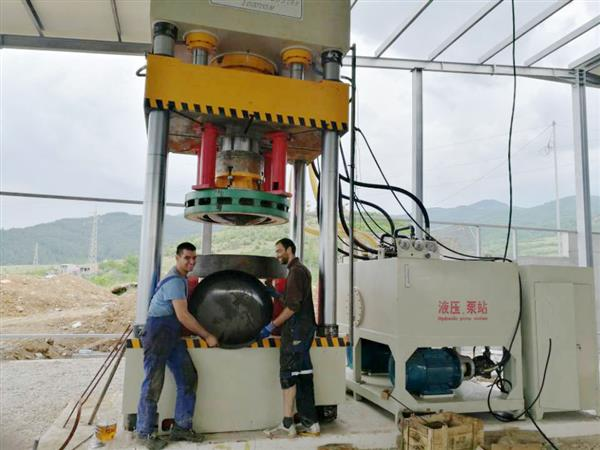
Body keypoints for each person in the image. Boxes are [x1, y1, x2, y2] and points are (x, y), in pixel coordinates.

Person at [136, 242, 218, 449]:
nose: (191, 262)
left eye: (194, 258)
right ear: (177, 258)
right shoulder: (174, 281)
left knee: (188, 377)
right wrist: (207, 335)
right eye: (187, 258)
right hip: (158, 333)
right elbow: (183, 315)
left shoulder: (181, 279)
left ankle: (182, 427)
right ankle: (145, 433)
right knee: (153, 383)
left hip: (171, 334)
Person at [259, 238, 320, 438]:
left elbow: (293, 307)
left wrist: (272, 325)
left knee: (288, 375)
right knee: (303, 375)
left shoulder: (296, 272)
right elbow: (295, 300)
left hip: (295, 332)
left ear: (290, 249)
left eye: (279, 251)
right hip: (304, 331)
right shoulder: (301, 270)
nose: (277, 256)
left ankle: (287, 424)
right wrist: (276, 294)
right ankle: (310, 423)